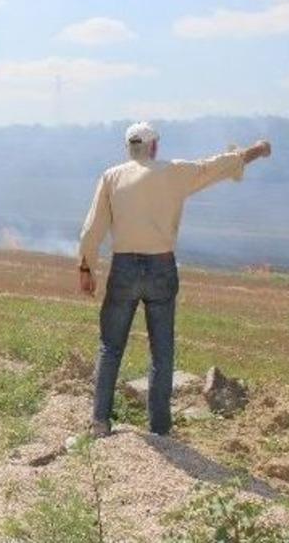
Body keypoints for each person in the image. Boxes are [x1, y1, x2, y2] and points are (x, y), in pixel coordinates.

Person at [77, 121, 271, 438]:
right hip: (162, 268)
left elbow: (91, 231)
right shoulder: (175, 172)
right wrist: (257, 150)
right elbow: (218, 166)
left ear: (130, 147)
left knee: (110, 348)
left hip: (123, 268)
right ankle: (160, 429)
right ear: (154, 146)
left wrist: (86, 269)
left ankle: (100, 423)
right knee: (161, 353)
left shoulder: (112, 177)